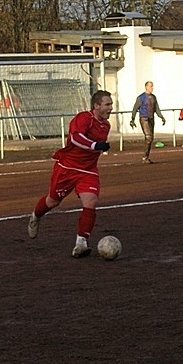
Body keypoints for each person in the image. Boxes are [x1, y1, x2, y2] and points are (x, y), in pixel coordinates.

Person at [28, 90, 113, 258]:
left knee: (90, 202)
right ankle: (36, 215)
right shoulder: (84, 118)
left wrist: (96, 147)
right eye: (107, 104)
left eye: (111, 104)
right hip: (67, 168)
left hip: (88, 170)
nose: (111, 108)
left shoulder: (106, 125)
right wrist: (95, 145)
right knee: (52, 201)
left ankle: (81, 243)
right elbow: (75, 138)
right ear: (96, 106)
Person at [130, 81, 166, 164]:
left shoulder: (153, 97)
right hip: (144, 118)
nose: (152, 88)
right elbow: (135, 108)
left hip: (151, 118)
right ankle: (144, 157)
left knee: (150, 138)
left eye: (152, 86)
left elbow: (156, 108)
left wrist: (161, 117)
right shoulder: (141, 97)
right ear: (146, 87)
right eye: (150, 86)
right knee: (149, 137)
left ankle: (146, 156)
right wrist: (132, 119)